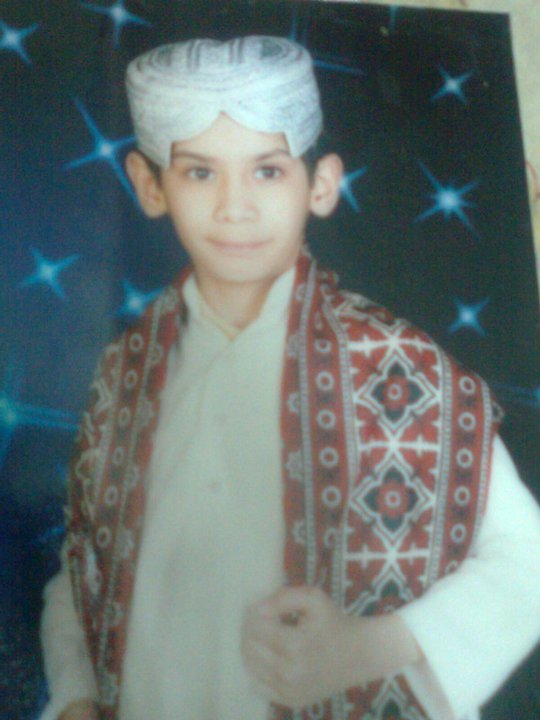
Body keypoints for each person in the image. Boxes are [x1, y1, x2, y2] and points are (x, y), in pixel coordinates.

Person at [40, 35, 540, 720]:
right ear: (150, 186)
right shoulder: (123, 370)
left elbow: (529, 563)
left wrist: (366, 648)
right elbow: (83, 568)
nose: (235, 207)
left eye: (268, 171)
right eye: (200, 173)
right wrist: (75, 696)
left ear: (321, 184)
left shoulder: (396, 363)